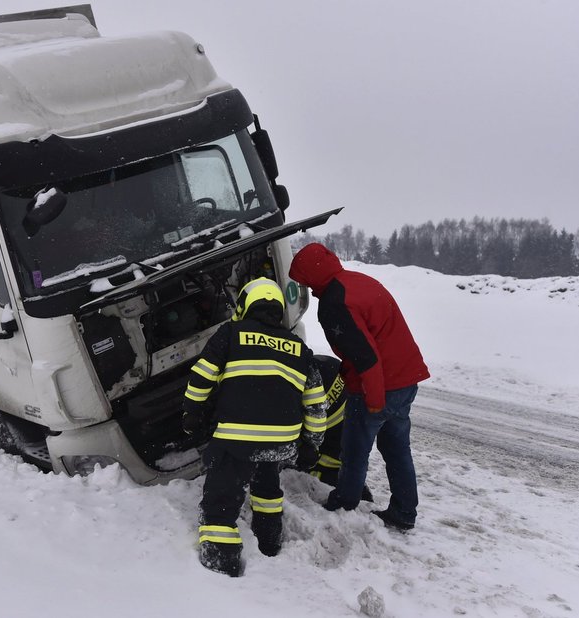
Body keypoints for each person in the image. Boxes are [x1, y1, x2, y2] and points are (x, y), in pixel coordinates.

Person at [182, 277, 327, 576]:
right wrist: (312, 445)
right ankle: (270, 542)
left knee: (221, 498)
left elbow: (203, 375)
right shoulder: (299, 348)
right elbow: (316, 402)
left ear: (245, 305)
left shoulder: (231, 332)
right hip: (281, 441)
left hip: (236, 437)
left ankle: (222, 565)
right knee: (267, 484)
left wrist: (192, 413)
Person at [289, 243, 430, 531]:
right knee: (397, 450)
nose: (304, 286)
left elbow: (366, 357)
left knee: (354, 451)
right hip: (405, 379)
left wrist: (374, 399)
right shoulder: (360, 281)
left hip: (377, 385)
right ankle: (404, 511)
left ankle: (344, 502)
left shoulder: (335, 303)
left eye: (303, 279)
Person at [293, 354, 374, 503]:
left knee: (314, 464)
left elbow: (311, 421)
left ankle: (351, 496)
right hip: (345, 400)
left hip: (337, 422)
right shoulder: (306, 365)